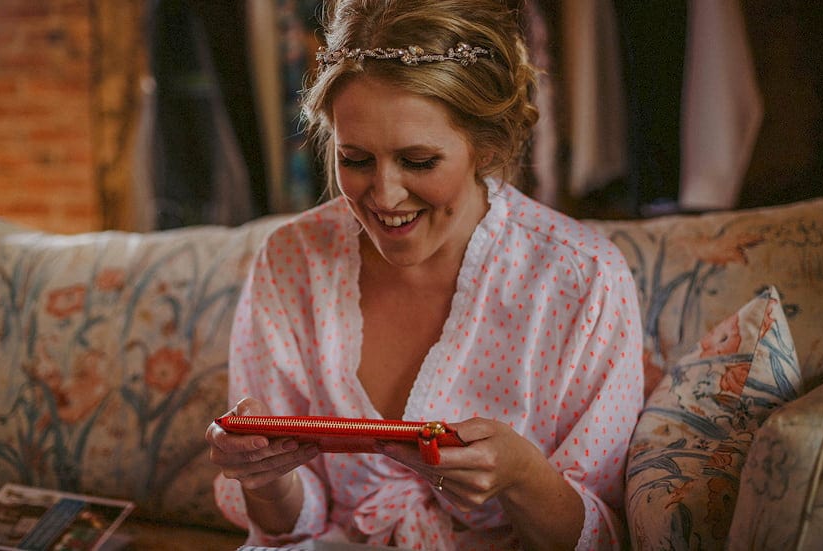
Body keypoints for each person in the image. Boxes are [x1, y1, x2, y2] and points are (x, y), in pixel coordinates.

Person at [205, 1, 644, 549]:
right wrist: (265, 477)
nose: (384, 196)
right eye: (356, 159)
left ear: (486, 146)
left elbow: (608, 537)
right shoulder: (292, 261)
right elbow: (290, 527)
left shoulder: (581, 280)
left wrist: (523, 478)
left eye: (419, 162)